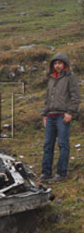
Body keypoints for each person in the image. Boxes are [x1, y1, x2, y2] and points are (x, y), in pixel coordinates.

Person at [39, 53, 81, 183]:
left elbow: (75, 96)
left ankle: (61, 173)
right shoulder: (51, 78)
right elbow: (47, 98)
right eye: (55, 63)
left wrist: (70, 112)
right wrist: (45, 114)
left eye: (60, 63)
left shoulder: (70, 77)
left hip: (63, 116)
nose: (57, 66)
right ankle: (46, 173)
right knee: (47, 145)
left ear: (65, 64)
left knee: (63, 144)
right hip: (51, 116)